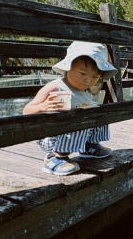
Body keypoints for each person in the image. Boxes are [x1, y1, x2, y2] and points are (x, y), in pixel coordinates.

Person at [23, 41, 117, 176]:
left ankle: (89, 146)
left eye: (95, 77)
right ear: (68, 67)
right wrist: (42, 107)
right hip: (52, 137)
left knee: (97, 113)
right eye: (82, 73)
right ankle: (55, 158)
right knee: (76, 118)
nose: (88, 80)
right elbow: (26, 110)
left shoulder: (86, 90)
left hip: (77, 131)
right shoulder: (55, 87)